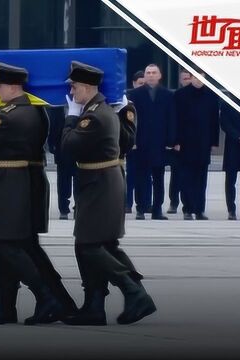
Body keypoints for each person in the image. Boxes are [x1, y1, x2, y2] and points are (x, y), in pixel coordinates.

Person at [0, 62, 67, 326]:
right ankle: (0, 305)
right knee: (0, 246)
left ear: (12, 86)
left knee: (5, 245)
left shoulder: (9, 116)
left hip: (7, 185)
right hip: (15, 182)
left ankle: (45, 297)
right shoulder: (33, 112)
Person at [61, 61, 156, 326]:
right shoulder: (99, 110)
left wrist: (71, 117)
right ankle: (94, 306)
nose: (72, 92)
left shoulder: (94, 115)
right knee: (98, 245)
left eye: (75, 87)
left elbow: (68, 145)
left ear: (88, 86)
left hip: (100, 184)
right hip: (99, 182)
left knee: (90, 246)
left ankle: (133, 291)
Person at [127, 64, 176, 220]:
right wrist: (131, 140)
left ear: (160, 75)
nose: (151, 75)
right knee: (141, 177)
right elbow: (130, 120)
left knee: (159, 178)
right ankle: (141, 209)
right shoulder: (134, 95)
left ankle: (157, 210)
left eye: (154, 72)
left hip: (160, 143)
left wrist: (171, 140)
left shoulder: (167, 95)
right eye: (148, 73)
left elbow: (172, 119)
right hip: (141, 143)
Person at [174, 71, 219, 220]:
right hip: (185, 143)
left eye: (202, 78)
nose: (199, 81)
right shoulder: (180, 95)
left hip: (203, 143)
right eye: (196, 78)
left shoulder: (211, 96)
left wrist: (214, 142)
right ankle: (187, 208)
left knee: (201, 177)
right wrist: (176, 141)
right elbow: (176, 120)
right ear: (191, 78)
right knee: (186, 177)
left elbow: (214, 121)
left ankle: (200, 209)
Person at [167, 68, 193, 214]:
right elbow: (173, 120)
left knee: (189, 175)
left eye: (188, 79)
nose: (186, 82)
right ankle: (173, 202)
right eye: (184, 79)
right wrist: (175, 141)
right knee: (176, 174)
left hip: (192, 142)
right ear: (180, 81)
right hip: (178, 143)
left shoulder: (196, 96)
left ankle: (187, 203)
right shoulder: (176, 96)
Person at [48, 105, 77, 219]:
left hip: (78, 149)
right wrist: (52, 145)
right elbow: (52, 127)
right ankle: (63, 208)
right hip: (62, 149)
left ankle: (78, 206)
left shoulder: (82, 107)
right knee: (63, 180)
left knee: (79, 179)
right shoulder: (57, 108)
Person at [125, 70, 145, 213]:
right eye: (140, 84)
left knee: (144, 177)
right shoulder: (128, 100)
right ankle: (127, 203)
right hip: (132, 142)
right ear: (133, 83)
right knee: (130, 175)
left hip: (146, 143)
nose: (142, 86)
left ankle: (143, 204)